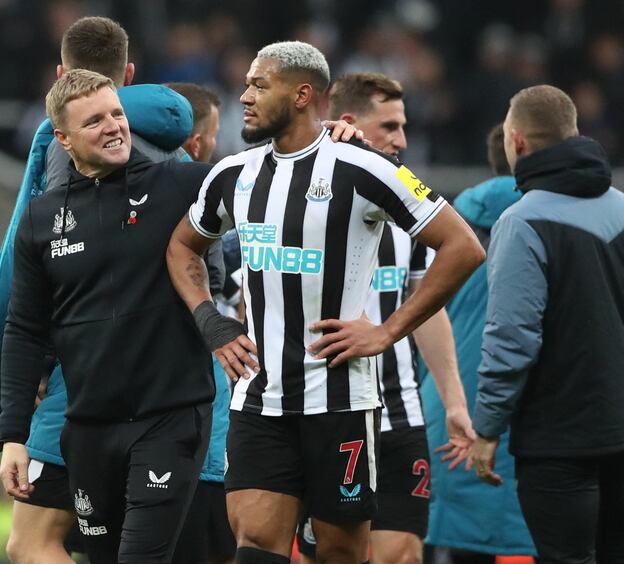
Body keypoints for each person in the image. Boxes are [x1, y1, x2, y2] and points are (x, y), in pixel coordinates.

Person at [166, 41, 485, 564]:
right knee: (256, 546)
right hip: (260, 400)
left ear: (301, 95)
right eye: (245, 83)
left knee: (339, 552)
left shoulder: (366, 168)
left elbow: (463, 246)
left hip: (341, 403)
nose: (244, 96)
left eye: (259, 85)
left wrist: (387, 331)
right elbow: (183, 247)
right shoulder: (233, 174)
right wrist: (211, 323)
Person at [0, 16, 197, 564]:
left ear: (61, 74)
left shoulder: (66, 161)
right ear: (129, 72)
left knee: (34, 543)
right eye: (97, 117)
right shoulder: (184, 163)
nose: (111, 127)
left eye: (114, 114)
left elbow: (39, 287)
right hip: (140, 396)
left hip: (103, 390)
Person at [296, 72, 475, 564]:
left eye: (404, 125)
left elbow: (425, 310)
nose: (403, 139)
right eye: (391, 126)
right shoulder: (301, 195)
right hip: (325, 408)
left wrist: (454, 401)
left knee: (401, 555)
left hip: (399, 409)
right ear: (350, 123)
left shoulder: (415, 210)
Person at [469, 85, 624, 564]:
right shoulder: (621, 206)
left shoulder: (521, 223)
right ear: (575, 134)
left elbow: (511, 339)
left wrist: (488, 428)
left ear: (516, 143)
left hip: (558, 441)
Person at [419, 124, 534, 562]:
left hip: (445, 401)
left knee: (436, 537)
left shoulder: (443, 226)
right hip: (513, 413)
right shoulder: (551, 223)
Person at [165, 82, 237, 564]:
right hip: (202, 441)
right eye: (210, 137)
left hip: (126, 434)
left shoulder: (100, 202)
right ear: (195, 143)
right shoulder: (207, 206)